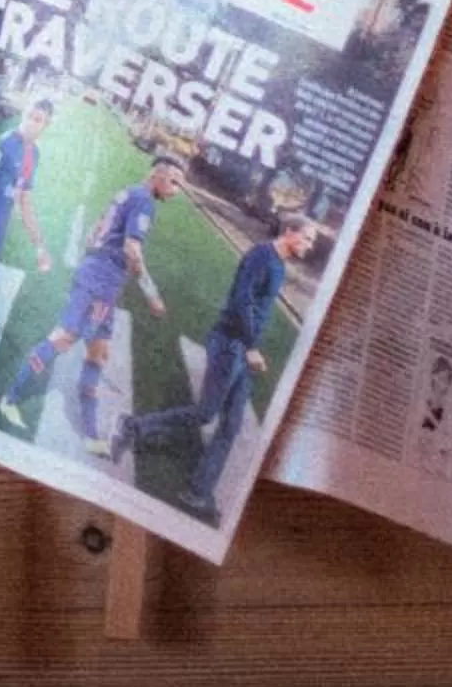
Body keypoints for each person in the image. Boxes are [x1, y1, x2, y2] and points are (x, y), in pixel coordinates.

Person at [108, 212, 319, 526]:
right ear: (289, 231)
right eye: (308, 238)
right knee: (205, 413)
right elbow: (241, 301)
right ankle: (132, 426)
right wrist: (250, 346)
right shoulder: (261, 256)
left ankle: (198, 491)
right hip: (230, 345)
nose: (310, 246)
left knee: (231, 424)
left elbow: (255, 307)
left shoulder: (277, 264)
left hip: (242, 349)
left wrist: (250, 347)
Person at [0, 154, 183, 447]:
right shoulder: (144, 201)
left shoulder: (127, 192)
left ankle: (91, 435)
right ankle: (10, 398)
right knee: (63, 338)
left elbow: (95, 230)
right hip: (100, 283)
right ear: (158, 174)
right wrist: (151, 294)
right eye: (174, 181)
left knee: (98, 353)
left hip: (101, 281)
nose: (176, 190)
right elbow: (132, 249)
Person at [0, 97, 56, 379]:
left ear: (46, 125)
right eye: (30, 115)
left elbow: (25, 201)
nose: (32, 122)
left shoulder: (34, 154)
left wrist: (39, 246)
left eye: (39, 119)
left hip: (0, 228)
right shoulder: (7, 143)